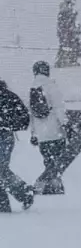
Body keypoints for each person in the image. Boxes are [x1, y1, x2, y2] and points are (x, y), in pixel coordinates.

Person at [29, 61, 69, 195]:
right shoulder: (51, 86)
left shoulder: (32, 88)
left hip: (42, 134)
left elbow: (31, 114)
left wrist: (33, 134)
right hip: (55, 131)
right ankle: (41, 184)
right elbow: (59, 108)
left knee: (48, 161)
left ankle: (54, 186)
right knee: (57, 162)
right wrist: (65, 124)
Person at [0, 79, 34, 212]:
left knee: (1, 169)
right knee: (2, 169)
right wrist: (9, 124)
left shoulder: (8, 96)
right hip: (6, 135)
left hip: (4, 135)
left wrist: (5, 124)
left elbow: (24, 118)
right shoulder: (10, 96)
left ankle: (22, 194)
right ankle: (20, 195)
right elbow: (24, 118)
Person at [55, 0, 81, 68]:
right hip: (67, 33)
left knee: (69, 46)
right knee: (67, 46)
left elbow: (72, 23)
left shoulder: (69, 12)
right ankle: (66, 60)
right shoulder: (66, 11)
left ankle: (69, 60)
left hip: (68, 33)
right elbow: (63, 23)